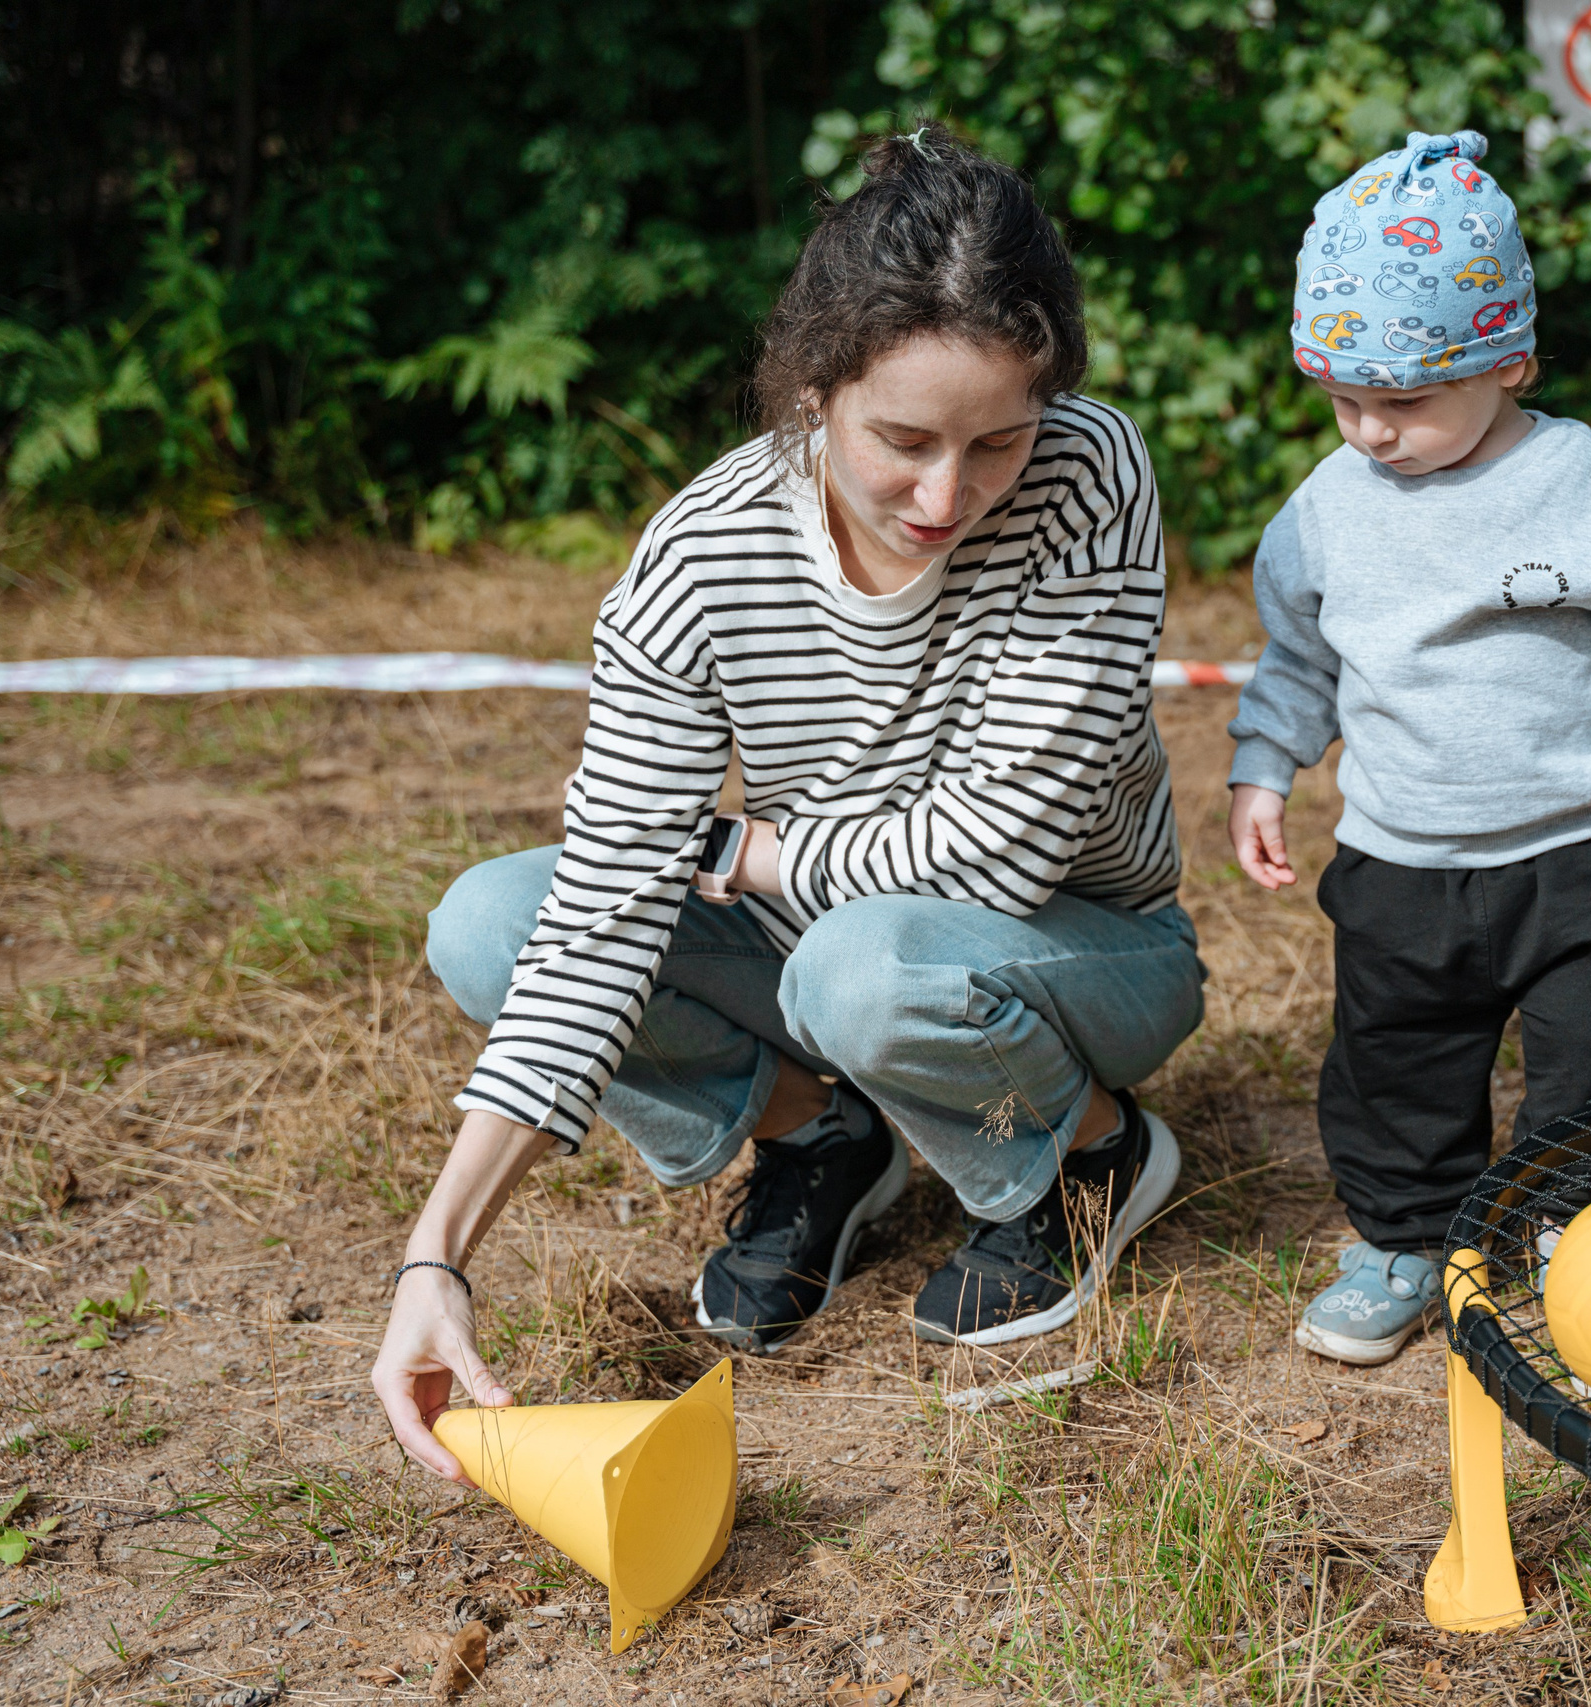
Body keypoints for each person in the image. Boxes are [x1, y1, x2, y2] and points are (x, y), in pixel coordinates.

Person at [372, 126, 1205, 1480]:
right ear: (815, 388)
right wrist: (437, 1256)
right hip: (836, 947)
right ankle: (822, 1132)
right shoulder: (701, 556)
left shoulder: (1090, 473)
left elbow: (1006, 854)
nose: (947, 493)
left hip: (1083, 949)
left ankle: (1084, 1154)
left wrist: (753, 854)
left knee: (862, 966)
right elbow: (597, 921)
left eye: (998, 439)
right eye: (903, 440)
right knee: (492, 924)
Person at [1228, 131, 1591, 1367]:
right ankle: (1404, 1236)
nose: (1370, 431)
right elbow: (1298, 659)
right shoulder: (1326, 512)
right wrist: (1262, 766)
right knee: (1395, 1063)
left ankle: (1585, 1228)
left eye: (1404, 402)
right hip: (1402, 858)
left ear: (1509, 362)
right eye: (1342, 399)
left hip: (1584, 852)